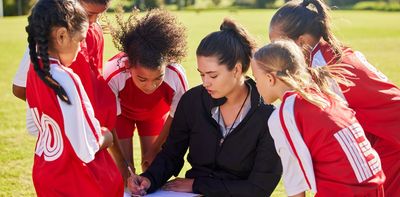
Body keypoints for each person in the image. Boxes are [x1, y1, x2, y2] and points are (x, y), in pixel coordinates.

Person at [127, 18, 282, 197]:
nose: (205, 82)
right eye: (202, 74)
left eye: (213, 75)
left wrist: (198, 185)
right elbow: (171, 154)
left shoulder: (268, 117)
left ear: (237, 70)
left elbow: (259, 189)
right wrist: (149, 179)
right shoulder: (192, 101)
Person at [268, 0, 400, 195]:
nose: (276, 52)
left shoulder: (328, 70)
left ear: (302, 42)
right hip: (383, 141)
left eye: (278, 45)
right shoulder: (328, 55)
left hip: (392, 147)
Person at [252, 40, 385, 196]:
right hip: (374, 184)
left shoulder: (285, 113)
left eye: (256, 78)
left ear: (269, 78)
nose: (256, 85)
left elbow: (295, 182)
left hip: (345, 190)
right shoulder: (324, 94)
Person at [25, 0, 123, 196]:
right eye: (80, 40)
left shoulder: (34, 71)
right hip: (77, 181)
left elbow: (33, 126)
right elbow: (86, 148)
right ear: (61, 35)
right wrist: (107, 136)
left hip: (46, 173)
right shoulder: (66, 77)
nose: (80, 49)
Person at [103, 9, 188, 172]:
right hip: (121, 117)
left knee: (152, 168)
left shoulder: (176, 74)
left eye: (158, 78)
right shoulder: (114, 73)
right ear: (129, 66)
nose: (150, 85)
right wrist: (123, 164)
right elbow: (109, 120)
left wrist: (155, 149)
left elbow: (176, 117)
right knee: (125, 171)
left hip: (155, 116)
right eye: (142, 79)